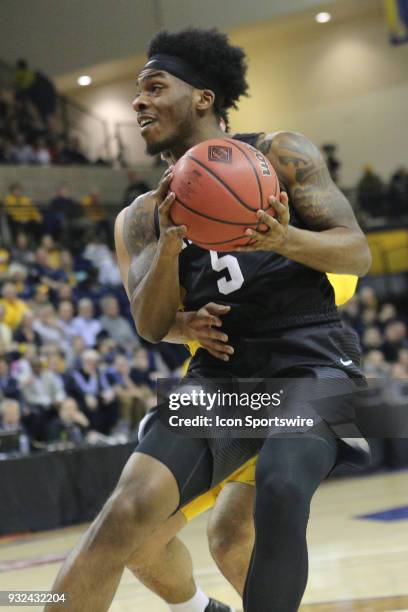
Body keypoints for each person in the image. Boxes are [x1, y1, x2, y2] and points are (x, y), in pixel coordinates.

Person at [46, 27, 371, 612]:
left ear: (202, 97)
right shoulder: (141, 217)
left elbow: (357, 252)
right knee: (126, 518)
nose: (138, 102)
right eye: (136, 93)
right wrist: (170, 249)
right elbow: (150, 324)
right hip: (222, 378)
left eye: (154, 86)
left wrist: (285, 237)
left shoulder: (279, 153)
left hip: (311, 362)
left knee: (277, 486)